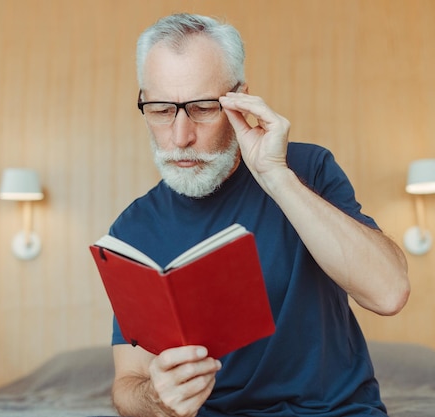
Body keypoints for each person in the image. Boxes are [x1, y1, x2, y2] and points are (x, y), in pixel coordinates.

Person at [108, 13, 410, 417]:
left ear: (240, 100)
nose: (180, 137)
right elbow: (127, 384)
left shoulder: (308, 169)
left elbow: (389, 293)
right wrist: (155, 397)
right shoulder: (133, 229)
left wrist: (276, 177)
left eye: (202, 107)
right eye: (161, 110)